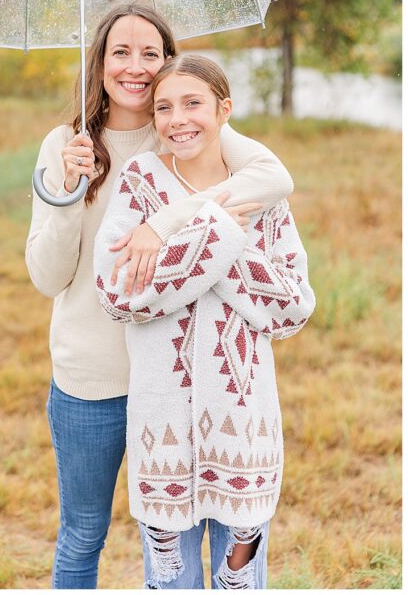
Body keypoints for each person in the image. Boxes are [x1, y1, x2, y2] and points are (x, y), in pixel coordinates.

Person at [25, 5, 294, 588]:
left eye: (151, 53)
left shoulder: (181, 124)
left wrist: (166, 220)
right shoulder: (64, 146)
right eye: (121, 52)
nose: (136, 67)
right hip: (92, 377)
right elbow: (47, 277)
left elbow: (273, 179)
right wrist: (70, 191)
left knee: (191, 543)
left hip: (182, 379)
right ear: (98, 63)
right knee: (83, 533)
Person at [92, 54, 315, 588]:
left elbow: (292, 306)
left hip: (242, 416)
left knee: (241, 575)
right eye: (164, 107)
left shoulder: (261, 194)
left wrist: (203, 237)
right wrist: (215, 234)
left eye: (193, 103)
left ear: (224, 110)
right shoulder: (140, 181)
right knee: (172, 582)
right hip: (162, 417)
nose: (177, 119)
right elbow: (120, 293)